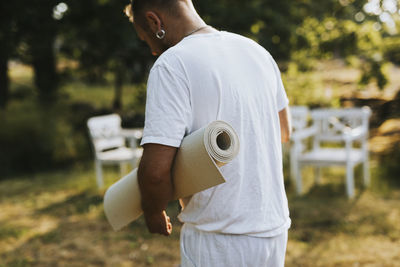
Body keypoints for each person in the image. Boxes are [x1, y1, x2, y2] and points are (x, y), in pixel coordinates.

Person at [125, 0, 292, 266]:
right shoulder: (256, 52)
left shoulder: (172, 64)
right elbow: (284, 130)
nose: (153, 51)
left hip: (217, 239)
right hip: (273, 231)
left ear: (155, 22)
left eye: (146, 40)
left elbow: (155, 172)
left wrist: (153, 210)